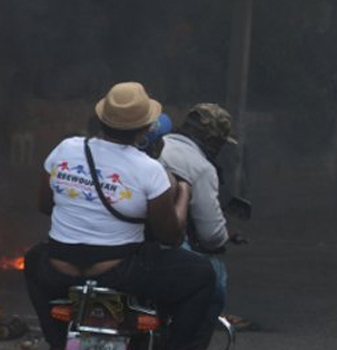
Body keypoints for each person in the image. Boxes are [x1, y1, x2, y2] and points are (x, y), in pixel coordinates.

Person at [24, 82, 216, 350]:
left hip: (58, 270)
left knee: (32, 259)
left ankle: (57, 341)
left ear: (101, 119)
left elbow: (45, 205)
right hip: (118, 274)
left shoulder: (65, 149)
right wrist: (184, 192)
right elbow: (171, 236)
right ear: (144, 130)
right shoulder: (149, 170)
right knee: (204, 274)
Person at [157, 103, 240, 343]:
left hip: (133, 245)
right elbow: (211, 235)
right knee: (215, 277)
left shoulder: (155, 146)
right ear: (212, 140)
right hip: (167, 250)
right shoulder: (201, 167)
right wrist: (225, 235)